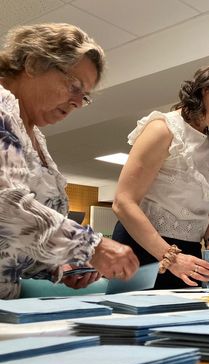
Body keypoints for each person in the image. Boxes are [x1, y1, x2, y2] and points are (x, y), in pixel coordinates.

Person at [0, 23, 139, 299]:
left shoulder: (34, 136)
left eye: (84, 96)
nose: (77, 102)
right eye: (74, 86)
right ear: (34, 63)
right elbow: (5, 206)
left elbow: (12, 244)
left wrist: (60, 266)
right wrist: (91, 246)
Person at [112, 60, 209, 289]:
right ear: (206, 90)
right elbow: (123, 202)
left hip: (188, 253)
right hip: (145, 250)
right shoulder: (162, 129)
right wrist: (171, 257)